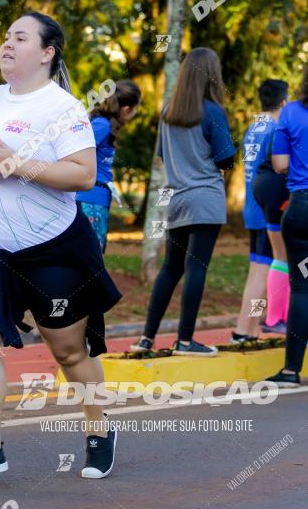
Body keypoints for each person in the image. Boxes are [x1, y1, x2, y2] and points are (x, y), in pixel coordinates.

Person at [0, 11, 122, 481]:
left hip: (53, 248)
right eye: (5, 37)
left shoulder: (63, 108)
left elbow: (82, 174)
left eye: (19, 37)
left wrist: (19, 163)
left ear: (47, 53)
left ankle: (99, 427)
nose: (6, 44)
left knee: (69, 352)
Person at [130, 47, 236, 357]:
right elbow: (225, 157)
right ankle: (186, 341)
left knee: (170, 268)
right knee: (196, 267)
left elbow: (163, 156)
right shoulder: (213, 112)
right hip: (205, 197)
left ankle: (147, 337)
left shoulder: (167, 112)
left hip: (175, 199)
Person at [232, 80, 289, 344]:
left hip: (252, 206)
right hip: (267, 208)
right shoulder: (277, 128)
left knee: (257, 268)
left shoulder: (253, 127)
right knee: (266, 269)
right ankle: (246, 329)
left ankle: (248, 328)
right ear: (283, 101)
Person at [266, 66, 308, 387]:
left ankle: (292, 369)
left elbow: (279, 164)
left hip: (301, 208)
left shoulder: (290, 112)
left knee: (302, 286)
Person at [77, 80, 142, 253]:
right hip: (90, 199)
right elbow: (77, 151)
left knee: (91, 256)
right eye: (136, 108)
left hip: (96, 198)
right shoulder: (102, 125)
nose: (135, 113)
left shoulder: (106, 124)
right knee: (90, 257)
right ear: (127, 109)